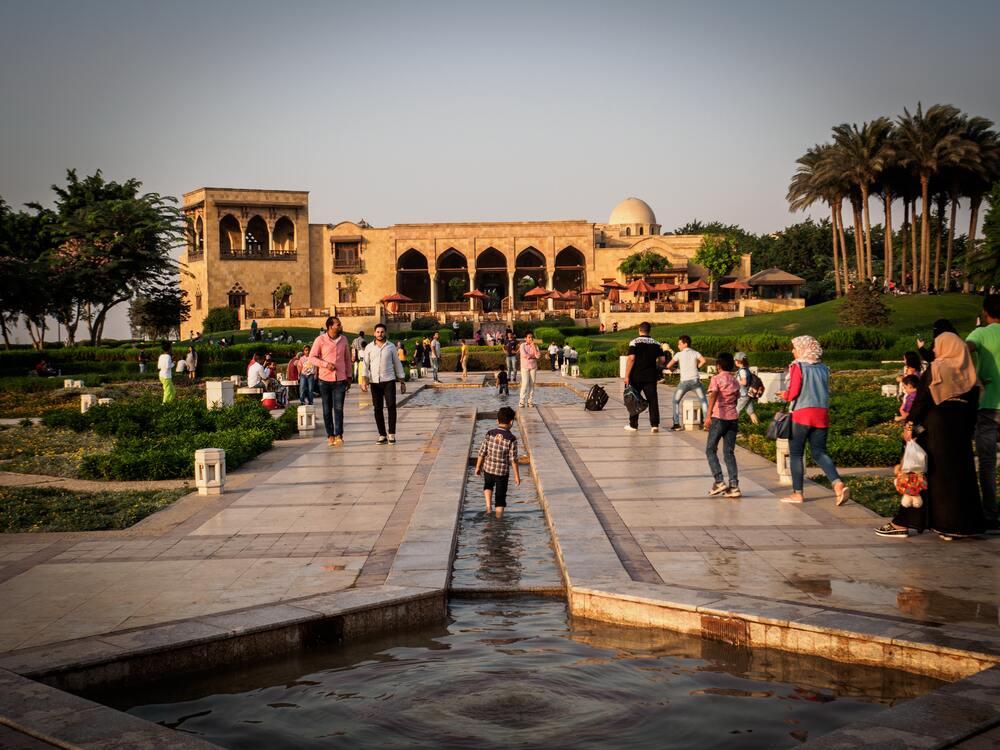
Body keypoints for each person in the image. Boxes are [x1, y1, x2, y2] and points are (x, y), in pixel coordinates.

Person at [877, 332, 984, 540]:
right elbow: (973, 408)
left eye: (937, 345)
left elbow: (922, 400)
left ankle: (903, 521)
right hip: (960, 433)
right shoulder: (969, 373)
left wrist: (909, 426)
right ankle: (958, 526)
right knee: (959, 478)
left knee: (924, 475)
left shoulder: (937, 369)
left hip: (936, 430)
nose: (934, 350)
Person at [778, 335, 849, 505]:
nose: (792, 351)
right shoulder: (824, 368)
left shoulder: (798, 366)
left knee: (796, 454)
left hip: (802, 414)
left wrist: (784, 395)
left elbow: (794, 392)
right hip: (822, 415)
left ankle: (798, 493)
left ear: (802, 349)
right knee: (819, 453)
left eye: (795, 348)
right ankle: (838, 484)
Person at [966, 293, 1000, 533]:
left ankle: (990, 514)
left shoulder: (980, 333)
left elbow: (964, 349)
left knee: (987, 463)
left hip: (988, 405)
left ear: (985, 312)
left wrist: (973, 378)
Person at [309, 316, 352, 447]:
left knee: (339, 408)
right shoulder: (320, 340)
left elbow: (347, 359)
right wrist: (325, 364)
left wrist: (349, 376)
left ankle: (339, 434)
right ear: (330, 326)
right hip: (324, 379)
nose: (340, 326)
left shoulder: (344, 339)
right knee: (327, 409)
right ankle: (330, 435)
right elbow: (311, 358)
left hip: (340, 379)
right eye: (337, 324)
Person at [361, 323, 407, 444]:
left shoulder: (391, 347)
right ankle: (382, 434)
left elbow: (397, 364)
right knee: (377, 408)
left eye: (382, 332)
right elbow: (365, 365)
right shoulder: (369, 347)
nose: (380, 334)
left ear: (385, 333)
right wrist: (364, 380)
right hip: (375, 382)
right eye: (378, 332)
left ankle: (391, 434)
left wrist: (402, 381)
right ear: (374, 333)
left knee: (391, 406)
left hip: (389, 381)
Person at [705, 352, 742, 498]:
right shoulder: (735, 380)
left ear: (718, 366)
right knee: (728, 452)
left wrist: (708, 415)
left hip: (719, 418)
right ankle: (734, 486)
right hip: (733, 419)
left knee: (710, 450)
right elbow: (737, 398)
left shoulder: (716, 379)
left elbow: (713, 395)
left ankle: (719, 481)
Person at [474, 406, 521, 519]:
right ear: (511, 422)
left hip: (488, 469)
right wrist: (517, 476)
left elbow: (482, 452)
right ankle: (499, 519)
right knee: (500, 497)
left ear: (497, 421)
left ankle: (488, 508)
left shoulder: (490, 434)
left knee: (488, 486)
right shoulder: (511, 438)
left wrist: (477, 467)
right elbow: (513, 460)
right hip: (502, 473)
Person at [623, 322, 662, 433]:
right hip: (651, 376)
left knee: (633, 399)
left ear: (639, 330)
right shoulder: (656, 343)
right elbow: (662, 359)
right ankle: (654, 425)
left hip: (636, 376)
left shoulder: (634, 342)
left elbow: (631, 358)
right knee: (653, 400)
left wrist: (626, 375)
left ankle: (633, 425)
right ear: (649, 331)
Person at [666, 335, 708, 431]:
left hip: (684, 382)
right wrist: (697, 367)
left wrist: (672, 370)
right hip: (695, 381)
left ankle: (676, 424)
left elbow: (668, 365)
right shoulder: (695, 353)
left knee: (675, 401)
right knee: (703, 401)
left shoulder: (679, 354)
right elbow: (703, 360)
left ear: (685, 344)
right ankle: (706, 423)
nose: (678, 346)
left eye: (679, 343)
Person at [734, 352, 759, 425]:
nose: (734, 362)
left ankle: (732, 428)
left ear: (738, 361)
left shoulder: (742, 371)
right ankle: (757, 427)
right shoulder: (747, 369)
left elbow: (744, 382)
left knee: (736, 411)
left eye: (735, 360)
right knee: (750, 412)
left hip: (743, 395)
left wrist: (735, 381)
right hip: (748, 394)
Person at [518, 332, 541, 407]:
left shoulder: (535, 346)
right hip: (525, 367)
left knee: (532, 384)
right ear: (525, 338)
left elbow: (538, 356)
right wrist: (533, 356)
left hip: (533, 367)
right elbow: (524, 355)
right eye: (529, 337)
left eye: (531, 337)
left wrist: (533, 346)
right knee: (525, 384)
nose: (530, 339)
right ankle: (522, 401)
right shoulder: (522, 345)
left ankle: (530, 401)